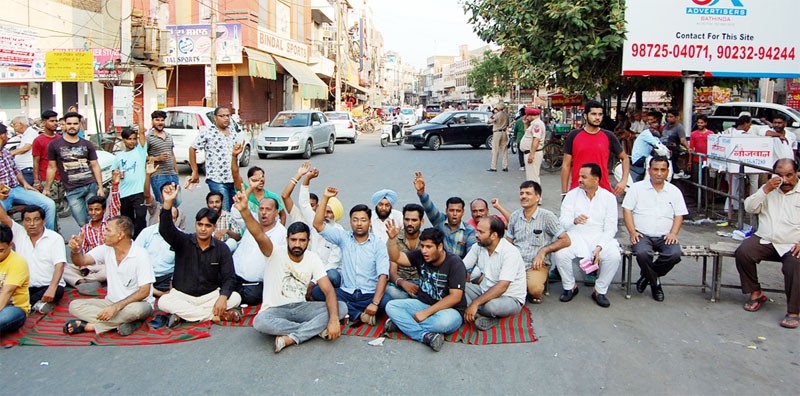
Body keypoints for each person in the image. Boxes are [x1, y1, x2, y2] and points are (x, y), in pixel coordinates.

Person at [233, 195, 345, 353]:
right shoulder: (273, 253)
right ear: (287, 240)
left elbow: (328, 290)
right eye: (293, 240)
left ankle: (292, 337)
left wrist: (333, 319)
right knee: (260, 321)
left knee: (340, 307)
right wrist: (245, 211)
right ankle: (312, 330)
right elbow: (259, 234)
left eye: (302, 240)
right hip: (275, 310)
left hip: (301, 307)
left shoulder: (312, 258)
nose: (297, 244)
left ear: (308, 242)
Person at [157, 183, 242, 326]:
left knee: (235, 297)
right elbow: (165, 229)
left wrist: (222, 297)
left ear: (214, 227)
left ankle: (185, 315)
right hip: (183, 296)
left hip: (210, 296)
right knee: (163, 302)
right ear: (195, 224)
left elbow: (229, 278)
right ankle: (213, 316)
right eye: (200, 225)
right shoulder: (183, 241)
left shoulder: (222, 248)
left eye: (208, 226)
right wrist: (167, 202)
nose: (203, 229)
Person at [734, 158, 800, 329]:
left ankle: (793, 311)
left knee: (794, 265)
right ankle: (756, 293)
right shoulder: (769, 189)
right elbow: (749, 207)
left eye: (789, 175)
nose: (784, 180)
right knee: (744, 252)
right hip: (766, 238)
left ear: (796, 174)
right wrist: (765, 189)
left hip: (792, 242)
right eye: (780, 175)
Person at [312, 187, 391, 326]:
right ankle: (359, 315)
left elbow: (383, 275)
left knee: (387, 302)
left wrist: (374, 302)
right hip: (346, 292)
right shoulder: (344, 238)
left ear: (370, 222)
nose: (359, 224)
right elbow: (318, 225)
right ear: (350, 222)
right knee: (318, 292)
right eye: (355, 220)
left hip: (368, 294)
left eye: (363, 220)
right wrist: (325, 198)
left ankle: (347, 310)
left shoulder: (378, 244)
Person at [63, 216, 153, 336]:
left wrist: (116, 308)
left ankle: (91, 326)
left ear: (120, 235)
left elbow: (144, 291)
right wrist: (76, 251)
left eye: (108, 230)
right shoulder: (106, 249)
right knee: (74, 306)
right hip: (111, 302)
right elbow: (81, 261)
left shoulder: (140, 254)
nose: (103, 233)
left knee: (135, 311)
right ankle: (126, 323)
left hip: (138, 304)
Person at [385, 226, 467, 352]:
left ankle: (402, 324)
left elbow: (455, 297)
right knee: (391, 306)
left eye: (429, 247)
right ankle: (425, 336)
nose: (424, 251)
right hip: (423, 303)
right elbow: (396, 258)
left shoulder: (455, 263)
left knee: (442, 323)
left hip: (449, 310)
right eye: (422, 246)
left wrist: (426, 313)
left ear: (439, 247)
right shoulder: (420, 256)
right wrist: (392, 239)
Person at [553, 163, 621, 307]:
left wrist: (600, 246)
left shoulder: (608, 198)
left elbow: (611, 228)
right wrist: (574, 220)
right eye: (579, 176)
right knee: (561, 253)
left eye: (584, 177)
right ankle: (570, 286)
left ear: (596, 180)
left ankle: (600, 290)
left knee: (613, 256)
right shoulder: (571, 195)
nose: (579, 180)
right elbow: (562, 221)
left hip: (600, 236)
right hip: (576, 235)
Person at [622, 156, 688, 302]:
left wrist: (674, 233)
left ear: (667, 172)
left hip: (665, 236)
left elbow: (679, 215)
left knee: (674, 254)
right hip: (642, 234)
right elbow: (627, 210)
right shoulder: (637, 188)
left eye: (662, 170)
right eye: (655, 169)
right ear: (649, 170)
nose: (659, 173)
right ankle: (655, 284)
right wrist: (632, 231)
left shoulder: (674, 191)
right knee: (642, 253)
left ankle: (647, 277)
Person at [280, 163, 343, 290]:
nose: (325, 215)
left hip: (327, 273)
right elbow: (303, 203)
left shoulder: (338, 232)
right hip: (310, 270)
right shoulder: (315, 222)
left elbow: (333, 263)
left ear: (336, 214)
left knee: (333, 276)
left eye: (329, 212)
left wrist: (314, 281)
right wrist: (306, 180)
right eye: (323, 210)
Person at [506, 180, 571, 304]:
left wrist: (544, 251)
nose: (524, 196)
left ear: (538, 197)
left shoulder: (547, 216)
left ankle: (522, 287)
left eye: (528, 193)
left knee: (535, 289)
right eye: (521, 193)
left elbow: (565, 240)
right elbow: (509, 241)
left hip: (536, 265)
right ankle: (518, 285)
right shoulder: (514, 216)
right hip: (516, 262)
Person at [462, 217, 527, 330]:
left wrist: (475, 303)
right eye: (477, 230)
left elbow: (502, 287)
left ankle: (477, 311)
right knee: (457, 288)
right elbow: (461, 267)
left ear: (494, 235)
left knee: (491, 307)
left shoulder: (510, 253)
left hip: (509, 298)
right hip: (484, 291)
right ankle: (478, 315)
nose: (476, 235)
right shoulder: (478, 246)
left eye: (481, 232)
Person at [0, 200, 64, 314]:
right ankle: (37, 305)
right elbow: (4, 218)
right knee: (13, 295)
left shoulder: (55, 238)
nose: (32, 224)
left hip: (48, 285)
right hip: (26, 286)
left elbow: (59, 265)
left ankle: (36, 304)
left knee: (56, 291)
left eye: (36, 219)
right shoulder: (19, 233)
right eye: (28, 220)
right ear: (23, 222)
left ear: (43, 221)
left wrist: (52, 288)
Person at [63, 171, 121, 293]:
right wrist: (77, 250)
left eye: (97, 210)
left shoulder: (110, 224)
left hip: (105, 264)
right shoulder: (84, 229)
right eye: (90, 210)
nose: (93, 213)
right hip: (88, 266)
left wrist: (115, 186)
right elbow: (81, 254)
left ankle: (87, 280)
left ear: (103, 210)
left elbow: (115, 205)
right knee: (63, 267)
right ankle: (83, 281)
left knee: (110, 269)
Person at [44, 112, 105, 226]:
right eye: (69, 123)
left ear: (80, 125)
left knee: (95, 219)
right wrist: (47, 188)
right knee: (82, 222)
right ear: (64, 125)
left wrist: (100, 187)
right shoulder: (54, 145)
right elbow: (52, 168)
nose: (72, 126)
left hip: (90, 186)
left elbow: (95, 165)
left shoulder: (87, 144)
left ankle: (95, 242)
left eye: (75, 123)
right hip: (72, 190)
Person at [561, 101, 630, 197]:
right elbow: (566, 165)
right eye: (593, 114)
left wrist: (624, 181)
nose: (597, 117)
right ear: (585, 116)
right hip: (578, 190)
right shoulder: (574, 135)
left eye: (600, 114)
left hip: (603, 190)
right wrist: (564, 193)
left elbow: (625, 158)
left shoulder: (609, 136)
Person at [231, 193, 287, 306]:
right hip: (234, 275)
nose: (264, 212)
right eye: (261, 209)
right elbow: (237, 213)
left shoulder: (281, 232)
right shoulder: (252, 221)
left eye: (268, 209)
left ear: (276, 212)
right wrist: (248, 191)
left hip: (254, 284)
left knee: (252, 297)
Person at [0, 123, 57, 231]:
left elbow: (16, 170)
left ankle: (48, 235)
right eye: (6, 135)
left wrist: (25, 184)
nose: (8, 137)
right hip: (2, 194)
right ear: (2, 136)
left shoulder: (5, 151)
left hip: (16, 188)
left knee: (49, 204)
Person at [414, 172, 476, 258]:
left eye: (458, 211)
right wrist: (421, 193)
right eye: (451, 210)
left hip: (460, 267)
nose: (454, 214)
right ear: (446, 211)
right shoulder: (439, 221)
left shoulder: (469, 231)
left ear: (463, 212)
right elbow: (429, 207)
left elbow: (472, 255)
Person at [188, 106, 237, 211]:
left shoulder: (232, 131)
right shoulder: (208, 132)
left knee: (235, 211)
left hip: (233, 178)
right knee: (223, 211)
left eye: (228, 115)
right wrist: (195, 171)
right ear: (215, 118)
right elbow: (192, 148)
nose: (226, 118)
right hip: (216, 179)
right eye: (222, 116)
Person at [134, 192, 183, 298]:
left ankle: (153, 292)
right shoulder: (147, 232)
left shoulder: (180, 237)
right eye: (166, 217)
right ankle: (157, 293)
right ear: (159, 217)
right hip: (145, 276)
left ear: (176, 220)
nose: (169, 220)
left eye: (173, 218)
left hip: (166, 278)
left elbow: (183, 264)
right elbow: (134, 255)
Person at [113, 124, 148, 238]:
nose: (132, 142)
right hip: (124, 193)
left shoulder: (140, 152)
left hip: (139, 191)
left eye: (134, 139)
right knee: (127, 220)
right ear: (123, 140)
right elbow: (114, 172)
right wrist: (117, 174)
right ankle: (130, 240)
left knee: (141, 215)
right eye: (129, 139)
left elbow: (142, 133)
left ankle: (140, 238)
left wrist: (139, 115)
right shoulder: (119, 156)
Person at [385, 203, 425, 299]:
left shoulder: (426, 239)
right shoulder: (395, 239)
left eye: (414, 220)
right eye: (407, 220)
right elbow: (392, 271)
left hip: (421, 282)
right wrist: (403, 283)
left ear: (421, 221)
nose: (410, 223)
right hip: (400, 283)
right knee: (390, 291)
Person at [145, 110, 180, 205]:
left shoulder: (169, 136)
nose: (160, 123)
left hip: (172, 174)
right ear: (152, 121)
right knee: (162, 202)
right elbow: (143, 157)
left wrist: (176, 172)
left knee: (176, 201)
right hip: (158, 175)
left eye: (162, 120)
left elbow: (172, 155)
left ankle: (173, 220)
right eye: (157, 120)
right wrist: (157, 158)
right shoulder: (148, 137)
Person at [0, 223, 30, 334]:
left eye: (0, 250)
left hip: (13, 308)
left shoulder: (18, 262)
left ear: (11, 245)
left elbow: (7, 292)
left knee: (4, 318)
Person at [32, 110, 64, 214]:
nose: (55, 123)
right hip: (47, 179)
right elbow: (36, 161)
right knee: (50, 208)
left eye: (56, 121)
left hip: (61, 178)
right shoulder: (38, 140)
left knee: (59, 208)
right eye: (52, 121)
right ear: (44, 122)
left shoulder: (60, 139)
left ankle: (56, 229)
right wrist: (36, 181)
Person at [630, 117, 664, 182]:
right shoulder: (646, 134)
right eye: (652, 128)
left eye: (655, 129)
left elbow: (659, 144)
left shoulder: (654, 136)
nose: (653, 130)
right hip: (639, 159)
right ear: (649, 127)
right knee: (652, 162)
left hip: (643, 158)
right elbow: (657, 144)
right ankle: (647, 180)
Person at [9, 116, 37, 186]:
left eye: (14, 124)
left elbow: (26, 148)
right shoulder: (25, 134)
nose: (13, 127)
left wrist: (10, 153)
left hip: (27, 169)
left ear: (21, 124)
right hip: (23, 170)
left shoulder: (31, 133)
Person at [663, 109, 690, 179]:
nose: (669, 118)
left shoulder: (679, 127)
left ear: (676, 117)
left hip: (672, 151)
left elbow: (683, 140)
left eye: (671, 117)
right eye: (668, 117)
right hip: (663, 149)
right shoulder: (666, 125)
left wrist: (688, 148)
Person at [520, 108, 546, 183]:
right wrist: (525, 124)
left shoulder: (537, 124)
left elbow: (536, 140)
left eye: (527, 115)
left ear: (532, 115)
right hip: (531, 152)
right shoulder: (534, 124)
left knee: (533, 178)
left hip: (533, 153)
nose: (526, 117)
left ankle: (534, 193)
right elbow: (528, 135)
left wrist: (532, 154)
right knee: (531, 176)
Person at [689, 114, 715, 182]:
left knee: (707, 179)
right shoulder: (693, 134)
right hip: (696, 160)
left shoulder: (711, 134)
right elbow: (691, 148)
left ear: (705, 123)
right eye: (698, 123)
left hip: (707, 161)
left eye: (701, 123)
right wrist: (689, 162)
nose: (699, 124)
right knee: (696, 179)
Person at [487, 103, 510, 172]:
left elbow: (488, 122)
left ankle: (493, 167)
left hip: (497, 133)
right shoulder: (506, 115)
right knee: (504, 150)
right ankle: (505, 166)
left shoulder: (496, 115)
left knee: (495, 150)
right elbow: (508, 124)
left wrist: (493, 114)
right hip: (504, 132)